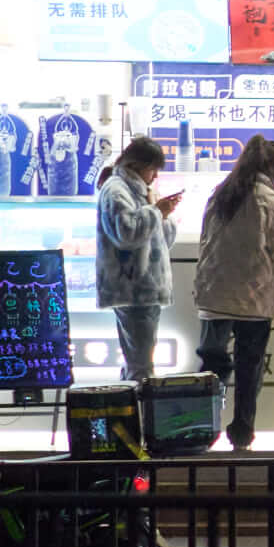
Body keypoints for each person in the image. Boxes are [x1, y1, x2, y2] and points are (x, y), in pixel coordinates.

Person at [191, 134, 274, 450]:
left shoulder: (221, 194)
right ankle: (242, 435)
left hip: (215, 296)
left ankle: (202, 431)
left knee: (211, 367)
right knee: (249, 369)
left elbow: (204, 242)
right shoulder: (272, 202)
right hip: (254, 300)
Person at [94, 136, 175, 384]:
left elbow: (162, 239)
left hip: (144, 291)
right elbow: (126, 233)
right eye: (153, 169)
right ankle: (138, 405)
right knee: (141, 364)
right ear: (137, 165)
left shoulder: (142, 191)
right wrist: (156, 211)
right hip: (133, 290)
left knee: (138, 360)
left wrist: (162, 214)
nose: (155, 176)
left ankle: (132, 402)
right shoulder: (116, 190)